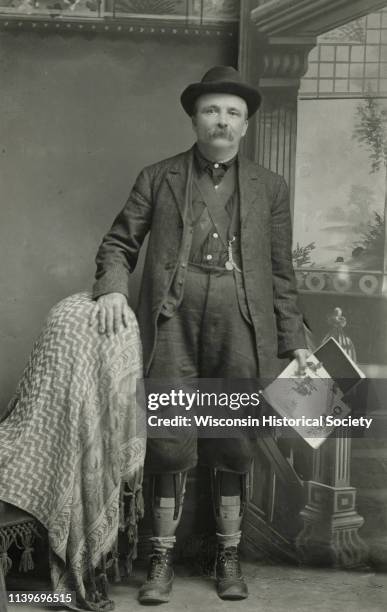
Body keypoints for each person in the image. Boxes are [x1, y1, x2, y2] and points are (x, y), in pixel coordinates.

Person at [90, 66, 309, 604]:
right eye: (212, 110)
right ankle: (160, 560)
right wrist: (113, 290)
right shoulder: (157, 176)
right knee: (168, 440)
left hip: (243, 321)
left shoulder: (270, 188)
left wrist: (296, 337)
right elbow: (119, 244)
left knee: (233, 440)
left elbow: (281, 273)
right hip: (174, 322)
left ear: (246, 124)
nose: (222, 121)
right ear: (194, 117)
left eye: (233, 113)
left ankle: (227, 556)